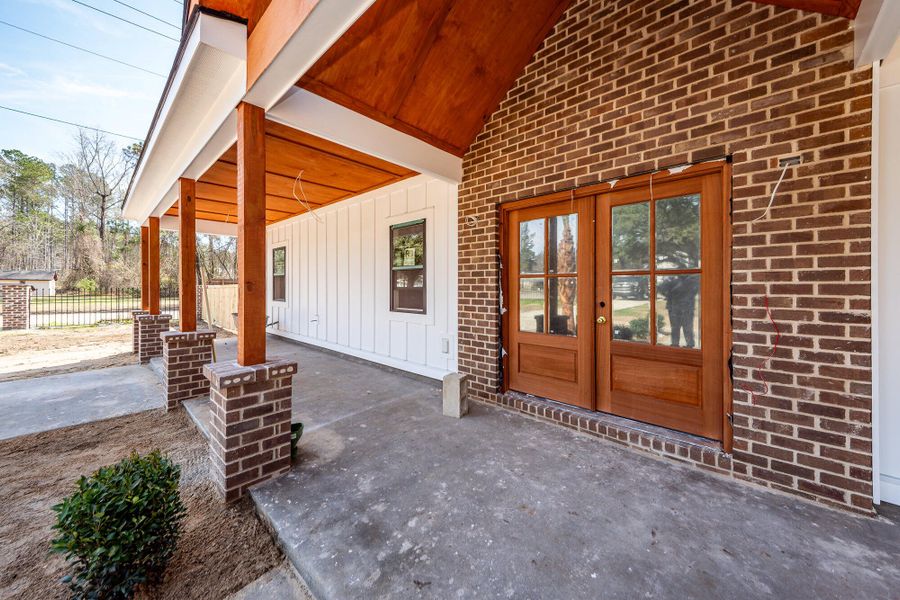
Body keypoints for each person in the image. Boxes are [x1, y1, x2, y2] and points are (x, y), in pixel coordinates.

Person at [658, 276, 699, 347]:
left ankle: (689, 345)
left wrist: (669, 294)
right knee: (675, 327)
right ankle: (675, 344)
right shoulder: (671, 280)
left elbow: (695, 290)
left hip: (686, 307)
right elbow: (660, 288)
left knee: (687, 327)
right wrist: (668, 294)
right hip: (675, 306)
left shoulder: (692, 280)